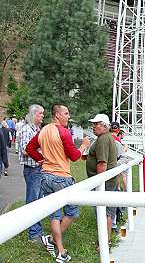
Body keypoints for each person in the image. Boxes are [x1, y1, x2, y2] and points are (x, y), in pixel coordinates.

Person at [26, 104, 91, 262]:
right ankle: (52, 240)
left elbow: (30, 148)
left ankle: (60, 251)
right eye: (66, 113)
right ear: (57, 115)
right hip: (61, 177)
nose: (68, 116)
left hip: (45, 176)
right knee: (72, 212)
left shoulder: (43, 130)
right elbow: (75, 156)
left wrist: (42, 160)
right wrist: (83, 145)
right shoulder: (63, 131)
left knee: (55, 215)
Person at [86, 114, 119, 239]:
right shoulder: (106, 137)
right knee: (107, 212)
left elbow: (102, 163)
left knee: (104, 212)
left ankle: (104, 242)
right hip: (109, 181)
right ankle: (106, 240)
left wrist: (98, 182)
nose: (93, 127)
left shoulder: (103, 139)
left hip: (105, 183)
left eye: (96, 124)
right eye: (93, 124)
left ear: (104, 126)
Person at [17, 104, 46, 243]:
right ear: (34, 114)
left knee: (39, 200)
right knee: (33, 201)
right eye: (41, 113)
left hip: (38, 169)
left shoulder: (36, 129)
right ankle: (34, 234)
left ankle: (37, 230)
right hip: (32, 169)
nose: (42, 116)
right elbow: (25, 149)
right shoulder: (26, 130)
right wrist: (41, 153)